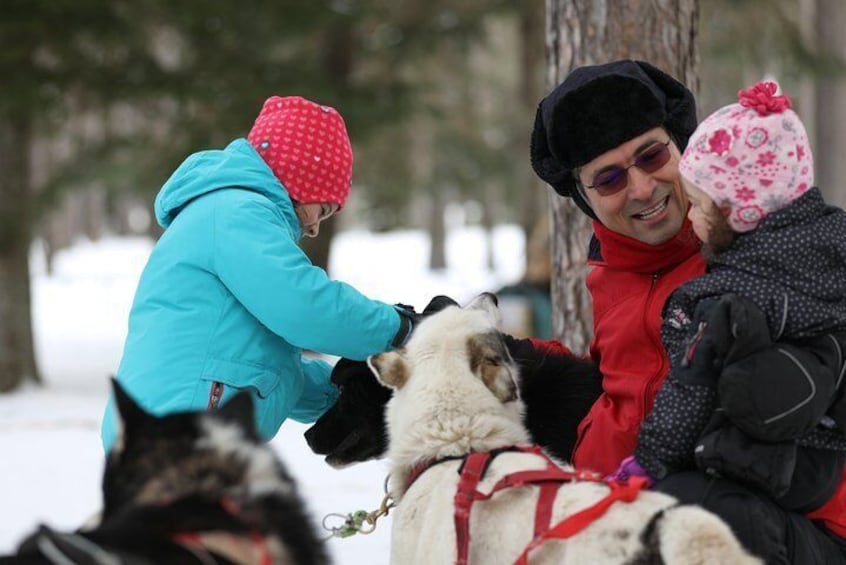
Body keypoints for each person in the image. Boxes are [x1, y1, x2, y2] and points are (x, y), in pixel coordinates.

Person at [529, 60, 846, 563]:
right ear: (585, 199)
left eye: (652, 156)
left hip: (786, 525)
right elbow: (624, 395)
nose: (640, 188)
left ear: (684, 146)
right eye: (609, 179)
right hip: (635, 521)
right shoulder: (608, 275)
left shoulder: (766, 259)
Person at [100, 95, 414, 451]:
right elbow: (307, 307)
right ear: (301, 176)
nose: (314, 228)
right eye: (322, 210)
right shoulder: (235, 213)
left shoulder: (229, 213)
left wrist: (340, 395)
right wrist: (401, 328)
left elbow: (265, 364)